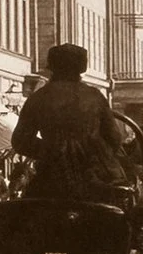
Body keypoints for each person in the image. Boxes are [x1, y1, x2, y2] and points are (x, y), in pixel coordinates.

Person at [11, 44, 128, 201]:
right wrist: (93, 150)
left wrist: (52, 150)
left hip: (51, 177)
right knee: (122, 210)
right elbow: (114, 138)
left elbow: (20, 141)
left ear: (51, 66)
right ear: (81, 67)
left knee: (28, 212)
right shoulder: (95, 97)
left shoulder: (38, 97)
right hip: (93, 177)